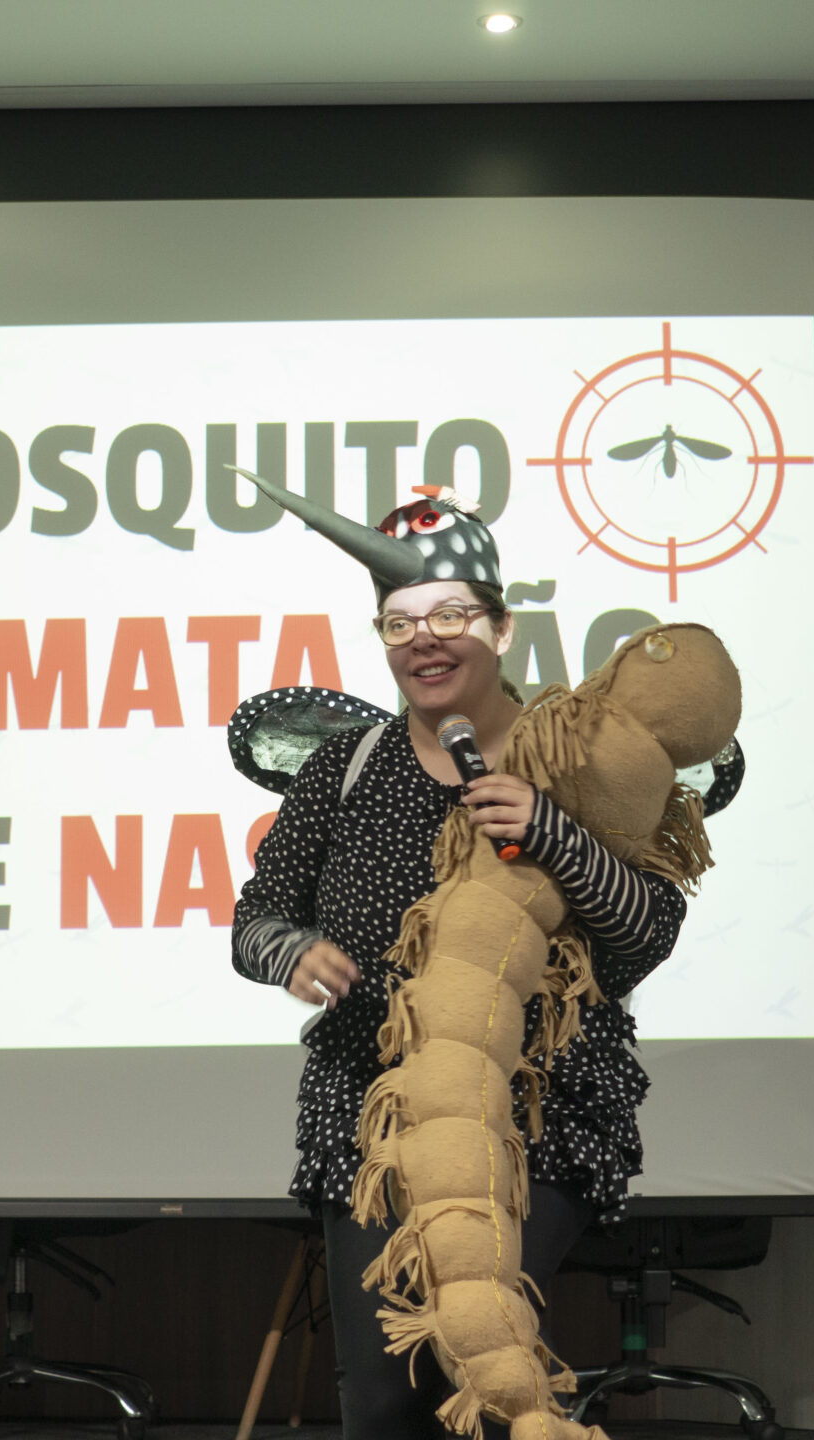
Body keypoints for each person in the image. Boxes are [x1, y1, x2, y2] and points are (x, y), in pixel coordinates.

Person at [225, 477, 686, 1439]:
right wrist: (292, 951)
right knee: (384, 1393)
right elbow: (255, 920)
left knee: (467, 1362)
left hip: (534, 1111)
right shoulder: (346, 767)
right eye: (399, 624)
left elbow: (645, 935)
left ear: (502, 628)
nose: (423, 640)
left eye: (449, 616)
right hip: (373, 1111)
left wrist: (556, 834)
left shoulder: (576, 756)